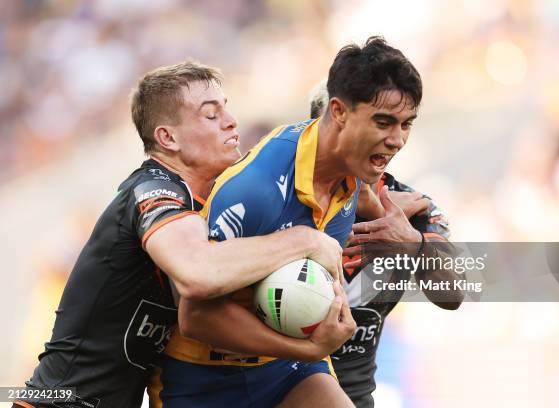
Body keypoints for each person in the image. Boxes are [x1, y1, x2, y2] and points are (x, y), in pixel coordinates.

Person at [14, 61, 352, 408]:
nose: (231, 120)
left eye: (226, 107)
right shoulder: (152, 189)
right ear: (167, 137)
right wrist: (303, 240)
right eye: (210, 114)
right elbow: (198, 272)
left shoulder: (209, 205)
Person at [156, 36, 426, 408]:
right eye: (383, 122)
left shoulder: (359, 184)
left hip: (289, 370)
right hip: (203, 378)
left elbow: (457, 292)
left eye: (406, 125)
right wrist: (309, 347)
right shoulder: (257, 188)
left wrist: (416, 245)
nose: (396, 140)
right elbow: (195, 317)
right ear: (339, 111)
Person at [310, 80, 463, 407]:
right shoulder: (289, 199)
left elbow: (454, 294)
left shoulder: (414, 208)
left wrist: (415, 246)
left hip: (356, 395)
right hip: (278, 392)